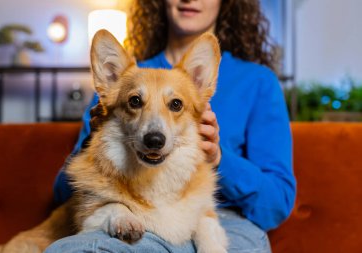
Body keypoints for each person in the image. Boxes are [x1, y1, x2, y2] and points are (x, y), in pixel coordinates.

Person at [47, 0, 296, 252]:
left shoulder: (258, 82)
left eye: (175, 105)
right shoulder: (123, 82)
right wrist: (97, 140)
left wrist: (218, 157)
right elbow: (64, 194)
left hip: (221, 219)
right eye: (136, 102)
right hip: (131, 213)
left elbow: (276, 205)